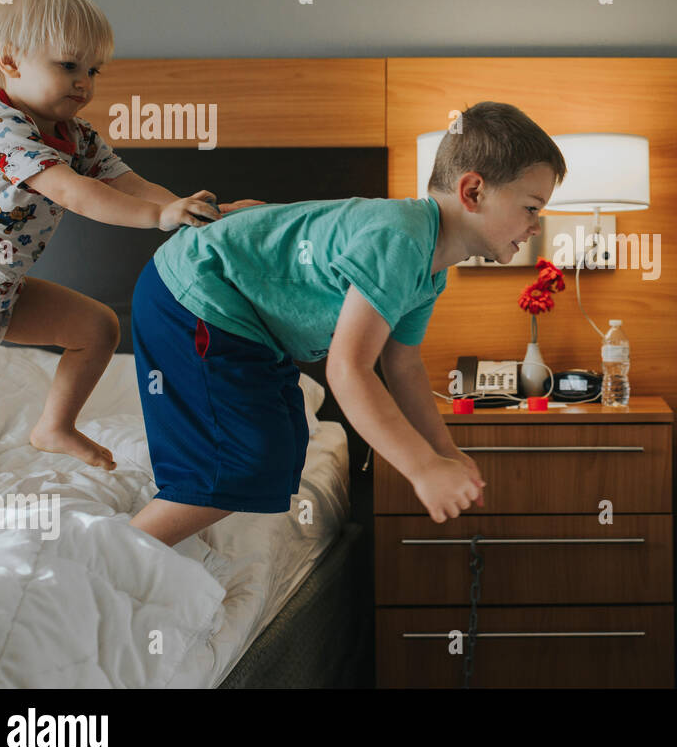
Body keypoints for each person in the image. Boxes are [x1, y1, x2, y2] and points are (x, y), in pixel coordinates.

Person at [127, 100, 568, 547]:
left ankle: (149, 541)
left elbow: (404, 366)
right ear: (473, 191)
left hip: (245, 322)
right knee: (245, 459)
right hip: (194, 292)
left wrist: (444, 452)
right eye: (532, 208)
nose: (536, 226)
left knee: (281, 444)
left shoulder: (429, 269)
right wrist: (421, 468)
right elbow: (347, 369)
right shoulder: (400, 238)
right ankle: (122, 553)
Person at [0, 0, 254, 468]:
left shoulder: (76, 135)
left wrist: (181, 209)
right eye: (68, 65)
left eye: (93, 70)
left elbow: (127, 184)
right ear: (9, 61)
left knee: (97, 328)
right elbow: (73, 192)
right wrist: (159, 216)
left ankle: (54, 426)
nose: (85, 83)